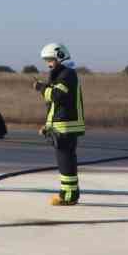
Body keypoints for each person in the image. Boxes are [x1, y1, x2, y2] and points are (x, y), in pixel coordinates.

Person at [33, 43, 85, 206]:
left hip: (67, 127)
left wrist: (41, 88)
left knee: (66, 162)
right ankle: (68, 193)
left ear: (60, 57)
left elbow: (57, 96)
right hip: (62, 126)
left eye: (50, 59)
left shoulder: (67, 74)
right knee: (65, 162)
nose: (48, 63)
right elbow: (55, 106)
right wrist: (48, 126)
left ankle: (68, 196)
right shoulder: (63, 74)